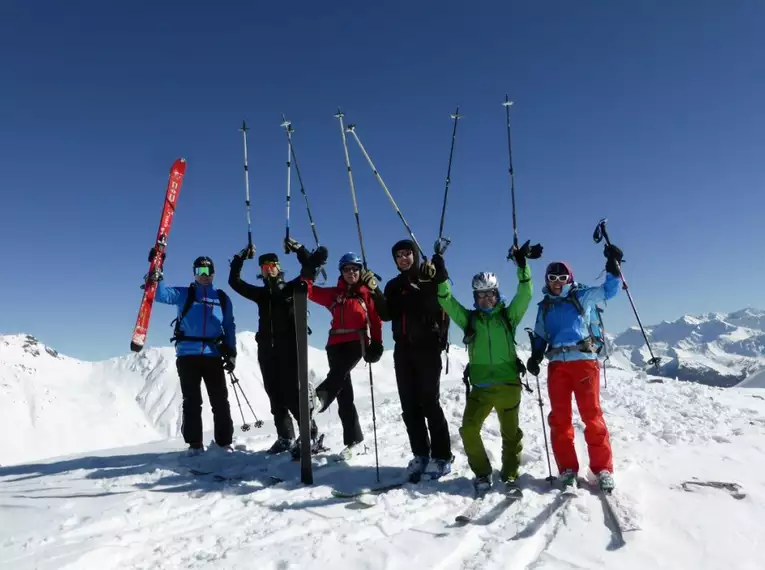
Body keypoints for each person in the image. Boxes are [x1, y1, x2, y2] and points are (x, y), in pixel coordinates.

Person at [432, 242, 535, 493]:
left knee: (511, 435)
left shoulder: (507, 317)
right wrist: (442, 275)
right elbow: (446, 300)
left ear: (497, 294)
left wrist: (522, 266)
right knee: (468, 430)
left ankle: (510, 473)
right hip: (480, 388)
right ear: (475, 297)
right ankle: (482, 473)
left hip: (508, 384)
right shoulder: (469, 320)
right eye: (481, 295)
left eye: (490, 293)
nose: (486, 298)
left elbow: (526, 294)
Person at [526, 243, 623, 492]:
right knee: (560, 419)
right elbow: (540, 335)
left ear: (570, 278)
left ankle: (602, 469)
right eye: (552, 277)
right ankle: (568, 469)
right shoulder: (544, 307)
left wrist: (613, 267)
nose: (557, 282)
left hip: (584, 363)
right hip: (557, 365)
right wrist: (536, 355)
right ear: (546, 280)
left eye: (562, 277)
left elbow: (610, 291)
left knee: (591, 416)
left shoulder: (582, 296)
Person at [227, 238, 322, 457]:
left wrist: (299, 249)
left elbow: (310, 271)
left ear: (279, 268)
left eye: (272, 265)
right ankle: (285, 437)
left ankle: (309, 433)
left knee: (293, 393)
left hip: (289, 348)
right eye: (264, 267)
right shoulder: (261, 295)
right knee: (274, 394)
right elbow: (234, 282)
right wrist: (241, 257)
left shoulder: (291, 288)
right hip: (266, 350)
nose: (269, 270)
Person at [380, 239, 453, 481]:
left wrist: (439, 267)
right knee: (409, 406)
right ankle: (421, 454)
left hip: (428, 348)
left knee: (429, 403)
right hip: (402, 350)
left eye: (407, 253)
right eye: (398, 255)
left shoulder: (427, 277)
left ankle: (442, 456)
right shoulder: (392, 286)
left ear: (414, 255)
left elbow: (442, 297)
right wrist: (373, 291)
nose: (403, 258)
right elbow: (386, 314)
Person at [301, 251, 385, 459]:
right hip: (334, 344)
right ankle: (353, 440)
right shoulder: (333, 293)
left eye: (355, 269)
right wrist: (309, 269)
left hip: (357, 342)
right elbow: (308, 291)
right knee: (344, 393)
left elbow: (375, 319)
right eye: (347, 269)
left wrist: (377, 343)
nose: (351, 273)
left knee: (337, 374)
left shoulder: (366, 292)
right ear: (341, 272)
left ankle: (320, 398)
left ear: (360, 271)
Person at [153, 255, 236, 456]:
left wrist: (232, 352)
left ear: (214, 273)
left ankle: (224, 443)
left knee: (220, 400)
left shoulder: (222, 298)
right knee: (192, 400)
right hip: (188, 355)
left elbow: (229, 326)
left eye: (208, 272)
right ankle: (195, 444)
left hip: (213, 355)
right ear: (194, 274)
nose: (205, 276)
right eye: (200, 272)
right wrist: (157, 273)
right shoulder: (185, 294)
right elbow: (161, 295)